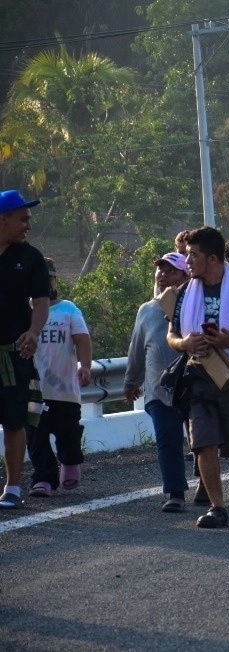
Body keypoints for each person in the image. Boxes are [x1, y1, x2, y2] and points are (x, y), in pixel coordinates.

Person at [168, 226, 229, 529]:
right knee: (204, 443)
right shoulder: (185, 293)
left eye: (193, 255)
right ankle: (217, 508)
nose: (188, 261)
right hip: (198, 374)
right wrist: (184, 344)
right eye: (187, 255)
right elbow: (171, 334)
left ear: (212, 259)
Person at [125, 253, 192, 512]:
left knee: (202, 441)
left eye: (171, 271)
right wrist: (131, 381)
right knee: (168, 439)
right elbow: (137, 349)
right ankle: (175, 493)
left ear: (186, 277)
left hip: (195, 386)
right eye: (160, 271)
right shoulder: (147, 310)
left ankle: (206, 485)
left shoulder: (195, 305)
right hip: (158, 388)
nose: (163, 276)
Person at [26, 258, 93, 497]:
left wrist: (85, 366)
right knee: (36, 436)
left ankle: (70, 461)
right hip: (33, 388)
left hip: (65, 390)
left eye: (48, 278)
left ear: (54, 281)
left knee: (67, 433)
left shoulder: (68, 309)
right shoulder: (25, 312)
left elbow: (82, 340)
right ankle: (43, 479)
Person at [0, 190, 49, 510]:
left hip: (13, 354)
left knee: (15, 421)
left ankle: (12, 487)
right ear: (3, 219)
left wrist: (33, 331)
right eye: (23, 219)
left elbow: (42, 302)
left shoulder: (31, 258)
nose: (28, 225)